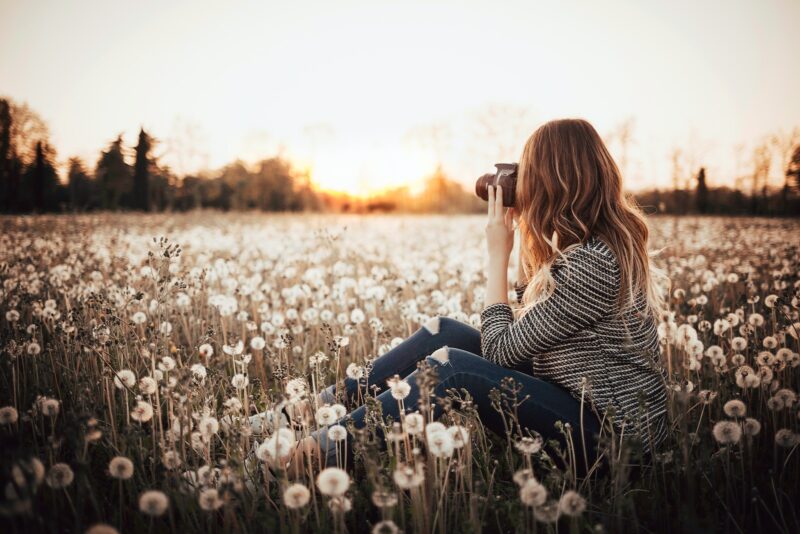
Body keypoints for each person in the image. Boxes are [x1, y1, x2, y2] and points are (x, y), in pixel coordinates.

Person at [279, 118, 669, 478]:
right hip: (581, 407)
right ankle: (304, 411)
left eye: (528, 172)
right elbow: (530, 323)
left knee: (452, 366)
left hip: (614, 442)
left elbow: (501, 351)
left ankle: (306, 457)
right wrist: (525, 236)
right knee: (445, 332)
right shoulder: (592, 248)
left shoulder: (593, 264)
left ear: (552, 181)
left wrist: (497, 253)